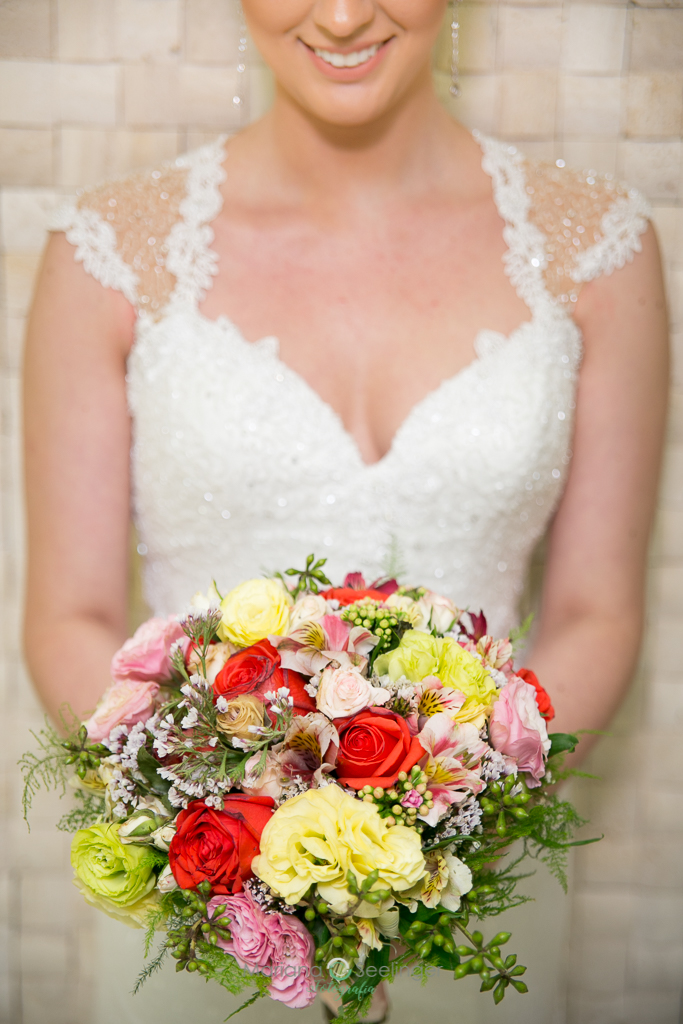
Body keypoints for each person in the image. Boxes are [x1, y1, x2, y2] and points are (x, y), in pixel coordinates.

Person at [23, 1, 668, 1022]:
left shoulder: (595, 250)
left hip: (477, 900)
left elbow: (597, 611)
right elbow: (72, 616)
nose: (338, 13)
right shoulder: (108, 254)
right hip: (204, 917)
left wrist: (436, 835)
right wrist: (224, 837)